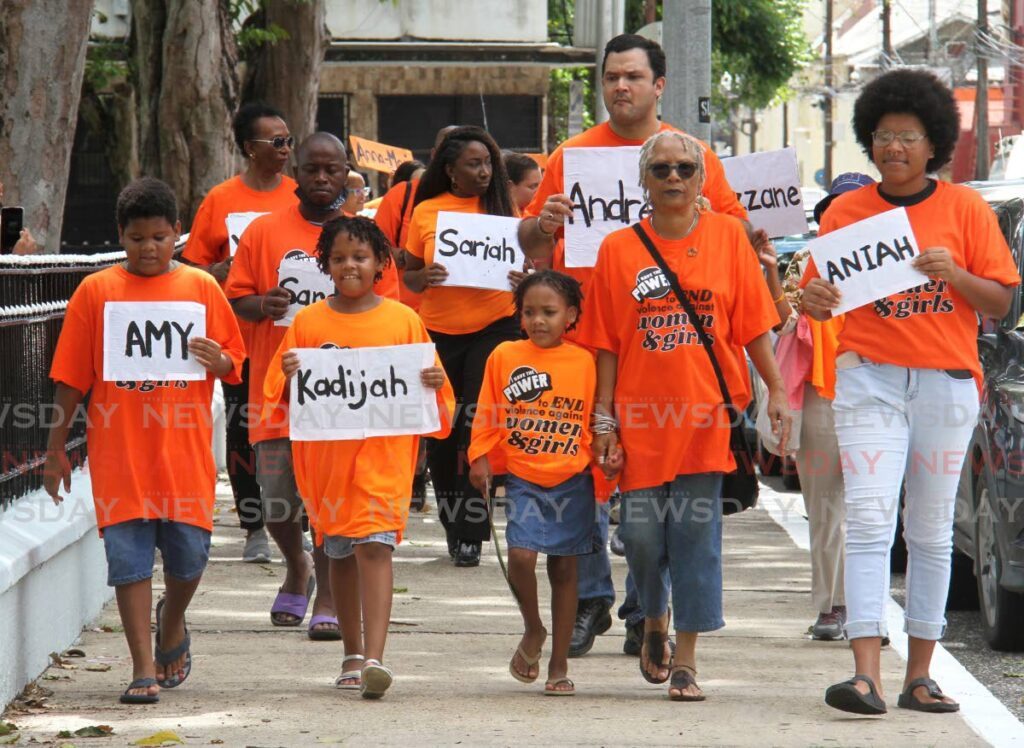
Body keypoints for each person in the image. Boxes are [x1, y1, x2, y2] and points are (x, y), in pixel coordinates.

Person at [517, 32, 754, 660]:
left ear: (658, 85)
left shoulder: (692, 153)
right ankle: (593, 595)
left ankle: (645, 611)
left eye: (632, 76)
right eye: (610, 77)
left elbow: (734, 232)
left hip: (670, 364)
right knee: (584, 482)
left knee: (654, 512)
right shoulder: (572, 155)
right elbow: (532, 246)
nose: (620, 86)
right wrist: (541, 225)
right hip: (581, 347)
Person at [802, 69, 1020, 716]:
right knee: (870, 518)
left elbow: (1004, 302)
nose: (893, 146)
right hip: (868, 377)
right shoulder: (846, 212)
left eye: (908, 136)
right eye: (882, 136)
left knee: (928, 530)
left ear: (934, 144)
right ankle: (865, 673)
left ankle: (920, 673)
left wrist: (955, 274)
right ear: (870, 144)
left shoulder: (965, 210)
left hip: (945, 386)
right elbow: (820, 302)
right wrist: (812, 301)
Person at [576, 130, 790, 701]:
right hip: (640, 420)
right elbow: (605, 344)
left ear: (702, 179)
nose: (674, 178)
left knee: (697, 536)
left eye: (685, 169)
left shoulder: (728, 239)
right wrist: (603, 418)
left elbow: (755, 328)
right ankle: (653, 620)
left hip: (707, 418)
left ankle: (687, 659)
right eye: (662, 169)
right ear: (643, 181)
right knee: (642, 537)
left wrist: (776, 389)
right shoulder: (618, 249)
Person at [42, 177, 245, 704]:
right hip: (121, 455)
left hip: (184, 456)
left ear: (177, 233)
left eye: (158, 237)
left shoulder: (201, 288)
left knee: (190, 559)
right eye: (136, 239)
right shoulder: (96, 291)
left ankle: (171, 619)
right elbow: (71, 377)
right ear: (120, 236)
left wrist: (216, 359)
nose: (148, 248)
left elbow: (233, 361)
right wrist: (54, 449)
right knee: (128, 563)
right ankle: (141, 667)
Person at [265, 216, 454, 699]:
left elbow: (435, 394)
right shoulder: (307, 323)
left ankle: (376, 656)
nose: (349, 265)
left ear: (380, 265)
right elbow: (279, 396)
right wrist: (287, 373)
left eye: (360, 257)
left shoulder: (404, 320)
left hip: (384, 460)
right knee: (340, 552)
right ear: (326, 265)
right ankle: (351, 650)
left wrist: (433, 385)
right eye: (339, 258)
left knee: (376, 546)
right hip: (326, 463)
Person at [225, 132, 367, 640]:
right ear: (297, 173)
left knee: (331, 505)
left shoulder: (362, 234)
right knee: (277, 503)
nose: (323, 179)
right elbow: (234, 297)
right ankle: (297, 565)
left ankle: (328, 593)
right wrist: (260, 304)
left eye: (332, 170)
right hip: (278, 392)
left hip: (344, 398)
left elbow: (389, 306)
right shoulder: (264, 232)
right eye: (312, 169)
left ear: (347, 171)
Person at [468, 270, 619, 696]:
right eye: (530, 312)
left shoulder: (584, 361)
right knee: (520, 556)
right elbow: (487, 409)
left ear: (570, 315)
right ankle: (533, 628)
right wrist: (479, 456)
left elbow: (598, 418)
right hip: (523, 478)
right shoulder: (504, 354)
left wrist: (609, 457)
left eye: (549, 312)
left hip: (573, 478)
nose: (538, 320)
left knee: (566, 569)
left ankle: (558, 663)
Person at [182, 101, 298, 564]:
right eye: (277, 141)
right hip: (239, 345)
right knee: (243, 437)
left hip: (290, 344)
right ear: (250, 149)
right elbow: (190, 269)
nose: (286, 148)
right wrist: (221, 270)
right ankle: (254, 527)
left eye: (289, 140)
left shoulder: (297, 196)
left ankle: (297, 523)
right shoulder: (221, 199)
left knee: (296, 437)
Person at [403, 125, 522, 567]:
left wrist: (521, 278)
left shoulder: (504, 207)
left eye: (489, 162)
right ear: (451, 171)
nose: (485, 171)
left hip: (496, 326)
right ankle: (455, 524)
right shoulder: (427, 211)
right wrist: (424, 277)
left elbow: (529, 260)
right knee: (444, 429)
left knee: (478, 425)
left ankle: (474, 528)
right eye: (475, 164)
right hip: (439, 332)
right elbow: (410, 274)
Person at [766, 173, 876, 642]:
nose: (844, 214)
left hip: (882, 390)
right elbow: (783, 322)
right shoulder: (808, 262)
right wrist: (769, 269)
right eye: (835, 206)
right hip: (824, 394)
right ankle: (833, 605)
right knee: (826, 505)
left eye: (854, 204)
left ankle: (868, 607)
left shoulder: (896, 261)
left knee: (873, 506)